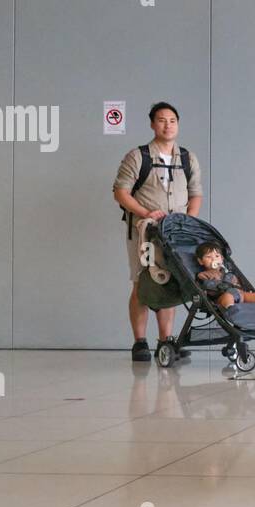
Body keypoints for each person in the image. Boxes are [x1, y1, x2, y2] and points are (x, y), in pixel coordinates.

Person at [112, 101, 203, 361]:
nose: (168, 125)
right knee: (143, 282)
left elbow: (196, 194)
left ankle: (166, 341)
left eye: (172, 120)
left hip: (177, 232)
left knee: (171, 281)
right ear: (153, 124)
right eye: (162, 120)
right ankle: (139, 342)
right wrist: (144, 213)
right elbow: (120, 192)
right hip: (145, 231)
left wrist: (188, 222)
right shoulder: (137, 156)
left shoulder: (188, 158)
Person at [194, 242, 255, 320]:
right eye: (208, 257)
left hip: (240, 294)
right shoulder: (203, 274)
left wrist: (232, 280)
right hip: (221, 297)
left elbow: (237, 283)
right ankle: (231, 309)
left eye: (216, 256)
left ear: (222, 259)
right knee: (228, 296)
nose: (213, 259)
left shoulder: (227, 271)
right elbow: (207, 286)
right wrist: (218, 285)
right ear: (200, 261)